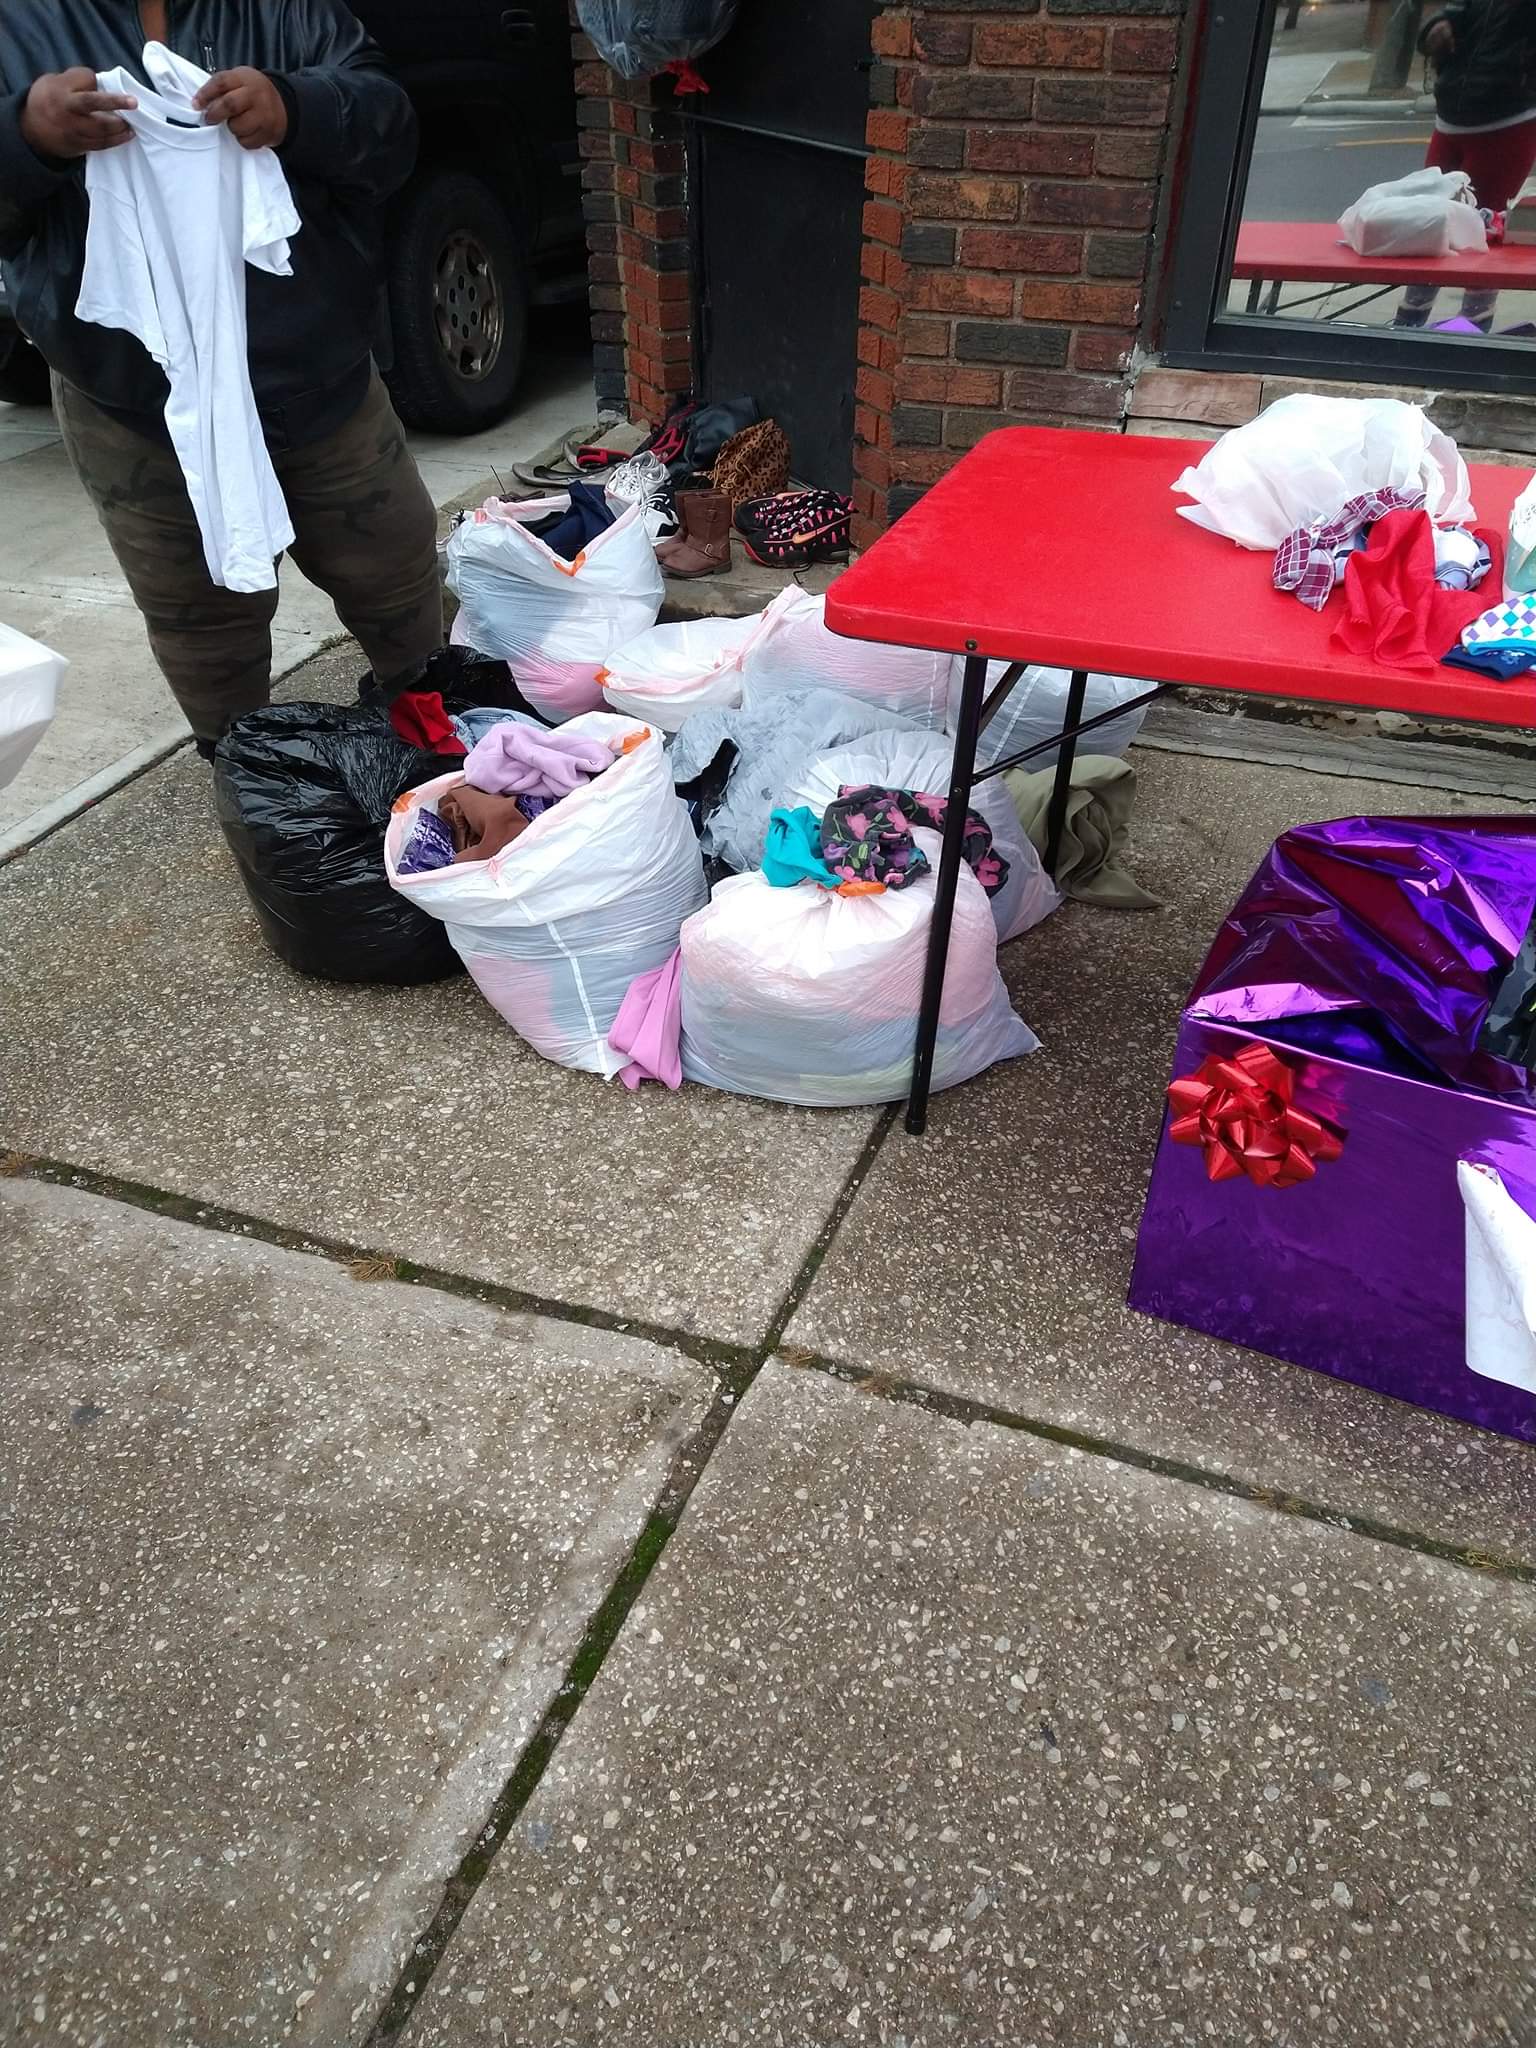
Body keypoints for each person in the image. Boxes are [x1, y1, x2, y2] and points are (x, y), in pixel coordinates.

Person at [0, 1, 443, 755]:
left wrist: (296, 109)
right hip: (133, 409)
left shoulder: (283, 7)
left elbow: (391, 130)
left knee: (400, 586)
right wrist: (24, 135)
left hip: (321, 383)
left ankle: (453, 753)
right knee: (203, 631)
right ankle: (254, 789)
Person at [1396, 0, 1536, 331]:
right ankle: (1406, 328)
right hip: (1450, 119)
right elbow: (1452, 13)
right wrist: (1434, 29)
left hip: (1506, 122)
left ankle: (1470, 332)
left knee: (1480, 235)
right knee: (1428, 227)